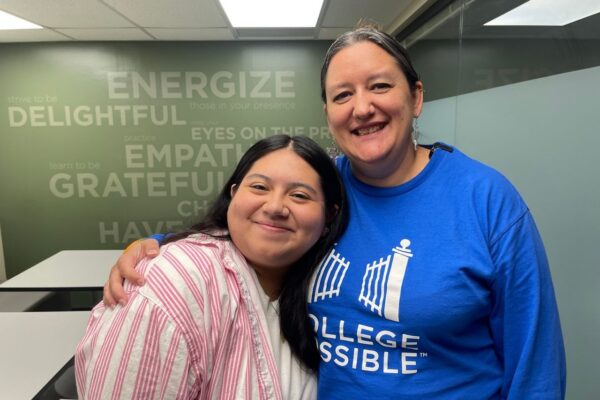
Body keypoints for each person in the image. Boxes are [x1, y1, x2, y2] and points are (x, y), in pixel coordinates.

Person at [104, 27, 566, 399]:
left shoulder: (486, 200)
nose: (362, 107)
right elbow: (253, 234)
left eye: (380, 86)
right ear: (328, 114)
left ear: (417, 97)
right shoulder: (319, 190)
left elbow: (535, 363)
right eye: (342, 95)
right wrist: (157, 247)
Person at [75, 134, 347, 399]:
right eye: (259, 187)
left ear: (329, 216)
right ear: (234, 193)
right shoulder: (175, 282)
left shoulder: (325, 284)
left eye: (299, 195)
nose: (275, 207)